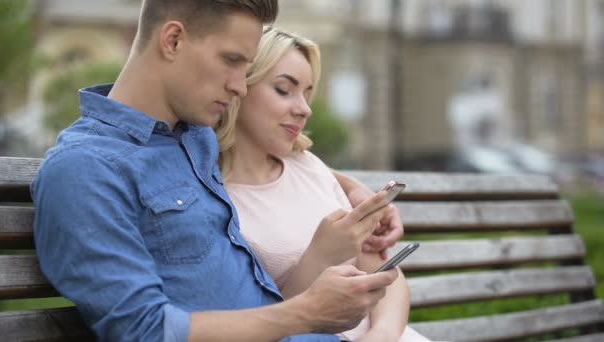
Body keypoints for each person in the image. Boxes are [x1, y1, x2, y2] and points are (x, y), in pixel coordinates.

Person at [31, 1, 401, 341]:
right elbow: (145, 331)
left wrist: (354, 189)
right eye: (231, 60)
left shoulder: (193, 136)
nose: (240, 86)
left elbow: (273, 159)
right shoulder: (84, 169)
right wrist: (304, 312)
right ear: (173, 40)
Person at [216, 27, 432, 341]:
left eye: (306, 92)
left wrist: (382, 334)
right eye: (283, 89)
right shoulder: (213, 195)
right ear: (239, 87)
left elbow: (386, 273)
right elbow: (270, 323)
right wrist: (320, 255)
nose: (305, 108)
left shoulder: (308, 167)